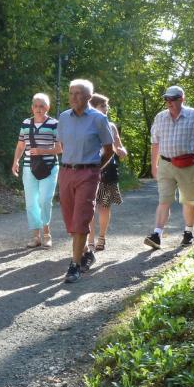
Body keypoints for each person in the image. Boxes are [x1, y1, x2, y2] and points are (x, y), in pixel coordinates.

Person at [144, 85, 194, 249]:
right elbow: (155, 142)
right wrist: (154, 165)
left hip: (187, 165)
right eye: (166, 99)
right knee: (164, 200)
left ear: (182, 99)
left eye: (172, 99)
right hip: (165, 164)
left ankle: (188, 232)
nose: (169, 102)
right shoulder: (160, 117)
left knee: (189, 200)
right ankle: (157, 234)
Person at [56, 79, 113, 283]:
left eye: (78, 93)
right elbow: (62, 144)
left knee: (81, 216)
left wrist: (96, 169)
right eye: (71, 93)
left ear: (89, 97)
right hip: (66, 172)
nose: (74, 97)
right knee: (70, 218)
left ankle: (74, 265)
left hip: (88, 173)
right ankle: (86, 253)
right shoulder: (63, 117)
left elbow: (109, 150)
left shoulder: (98, 119)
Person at [81, 94, 127, 270]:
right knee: (90, 207)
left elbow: (119, 146)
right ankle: (90, 242)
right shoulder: (86, 125)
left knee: (104, 206)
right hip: (90, 169)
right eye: (102, 106)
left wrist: (121, 151)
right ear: (92, 107)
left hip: (108, 170)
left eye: (106, 107)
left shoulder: (112, 126)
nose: (105, 110)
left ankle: (102, 238)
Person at [11, 93, 59, 249]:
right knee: (31, 202)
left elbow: (60, 148)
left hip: (50, 167)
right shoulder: (26, 123)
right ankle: (36, 236)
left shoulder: (54, 124)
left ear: (48, 107)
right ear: (32, 107)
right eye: (36, 106)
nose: (39, 109)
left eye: (42, 106)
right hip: (28, 166)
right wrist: (15, 161)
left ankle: (47, 233)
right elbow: (20, 145)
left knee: (44, 200)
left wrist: (41, 151)